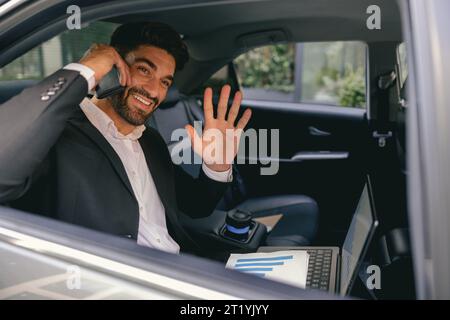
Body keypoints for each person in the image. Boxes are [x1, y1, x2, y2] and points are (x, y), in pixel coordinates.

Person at [0, 22, 251, 255]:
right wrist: (84, 71)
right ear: (113, 67)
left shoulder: (150, 141)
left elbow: (196, 206)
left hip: (180, 269)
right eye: (144, 70)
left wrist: (217, 167)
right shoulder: (57, 134)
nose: (154, 91)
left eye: (164, 82)